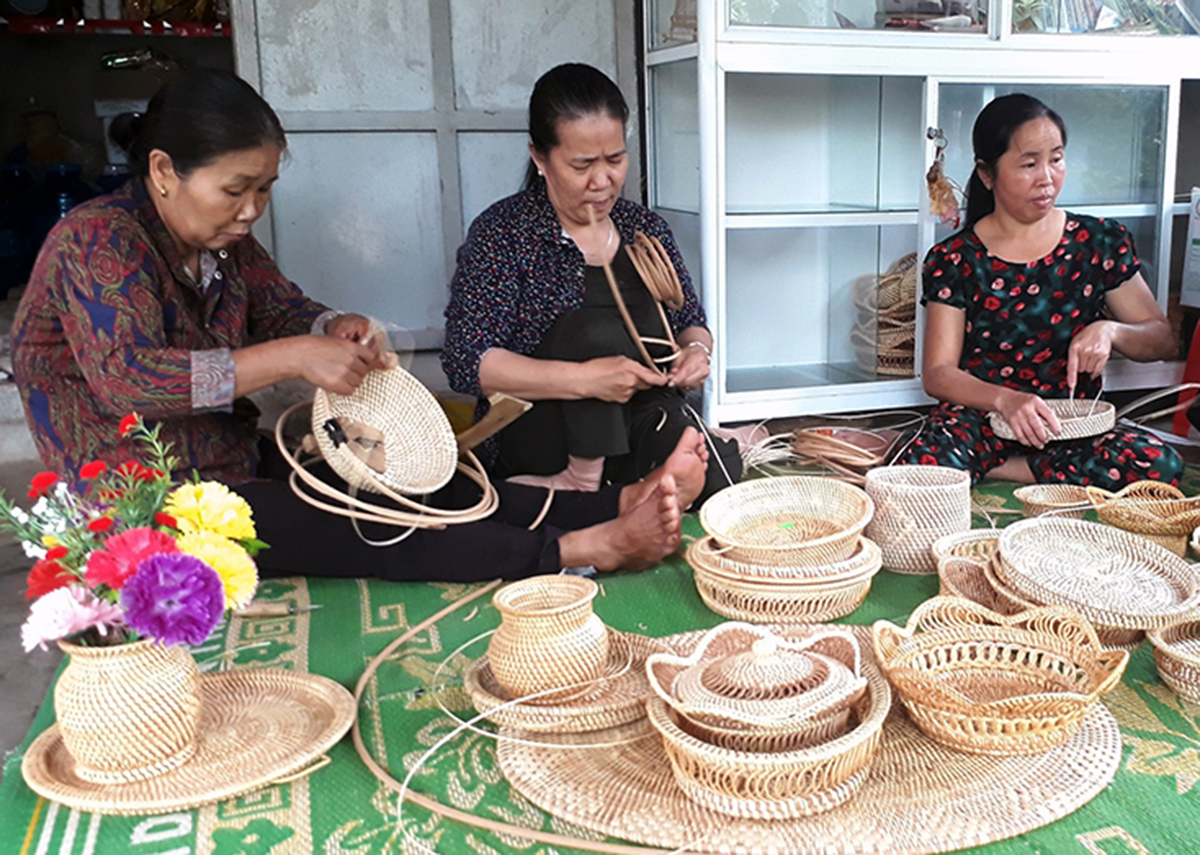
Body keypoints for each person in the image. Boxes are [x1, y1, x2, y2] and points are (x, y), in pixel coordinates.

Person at [11, 68, 705, 582]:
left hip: (230, 458)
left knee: (416, 482)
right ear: (164, 170)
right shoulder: (97, 242)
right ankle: (583, 548)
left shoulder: (221, 241)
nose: (252, 209)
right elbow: (132, 379)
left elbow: (283, 306)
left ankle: (615, 502)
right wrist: (293, 356)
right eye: (235, 189)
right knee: (359, 528)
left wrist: (331, 325)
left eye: (264, 190)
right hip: (140, 497)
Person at [442, 63, 740, 505]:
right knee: (592, 332)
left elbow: (690, 322)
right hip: (543, 433)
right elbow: (467, 362)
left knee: (719, 474)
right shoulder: (504, 234)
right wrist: (584, 381)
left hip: (635, 419)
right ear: (539, 158)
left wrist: (697, 352)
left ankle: (622, 495)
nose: (603, 181)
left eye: (615, 160)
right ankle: (583, 486)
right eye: (582, 165)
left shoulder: (644, 228)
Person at [902, 93, 1183, 489]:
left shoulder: (1098, 242)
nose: (1047, 178)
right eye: (1029, 164)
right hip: (984, 420)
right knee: (925, 463)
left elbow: (1162, 340)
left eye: (1056, 159)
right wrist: (1005, 400)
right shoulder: (955, 259)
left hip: (1070, 427)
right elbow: (938, 373)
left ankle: (1008, 470)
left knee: (1158, 464)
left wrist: (1112, 331)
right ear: (987, 174)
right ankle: (1015, 467)